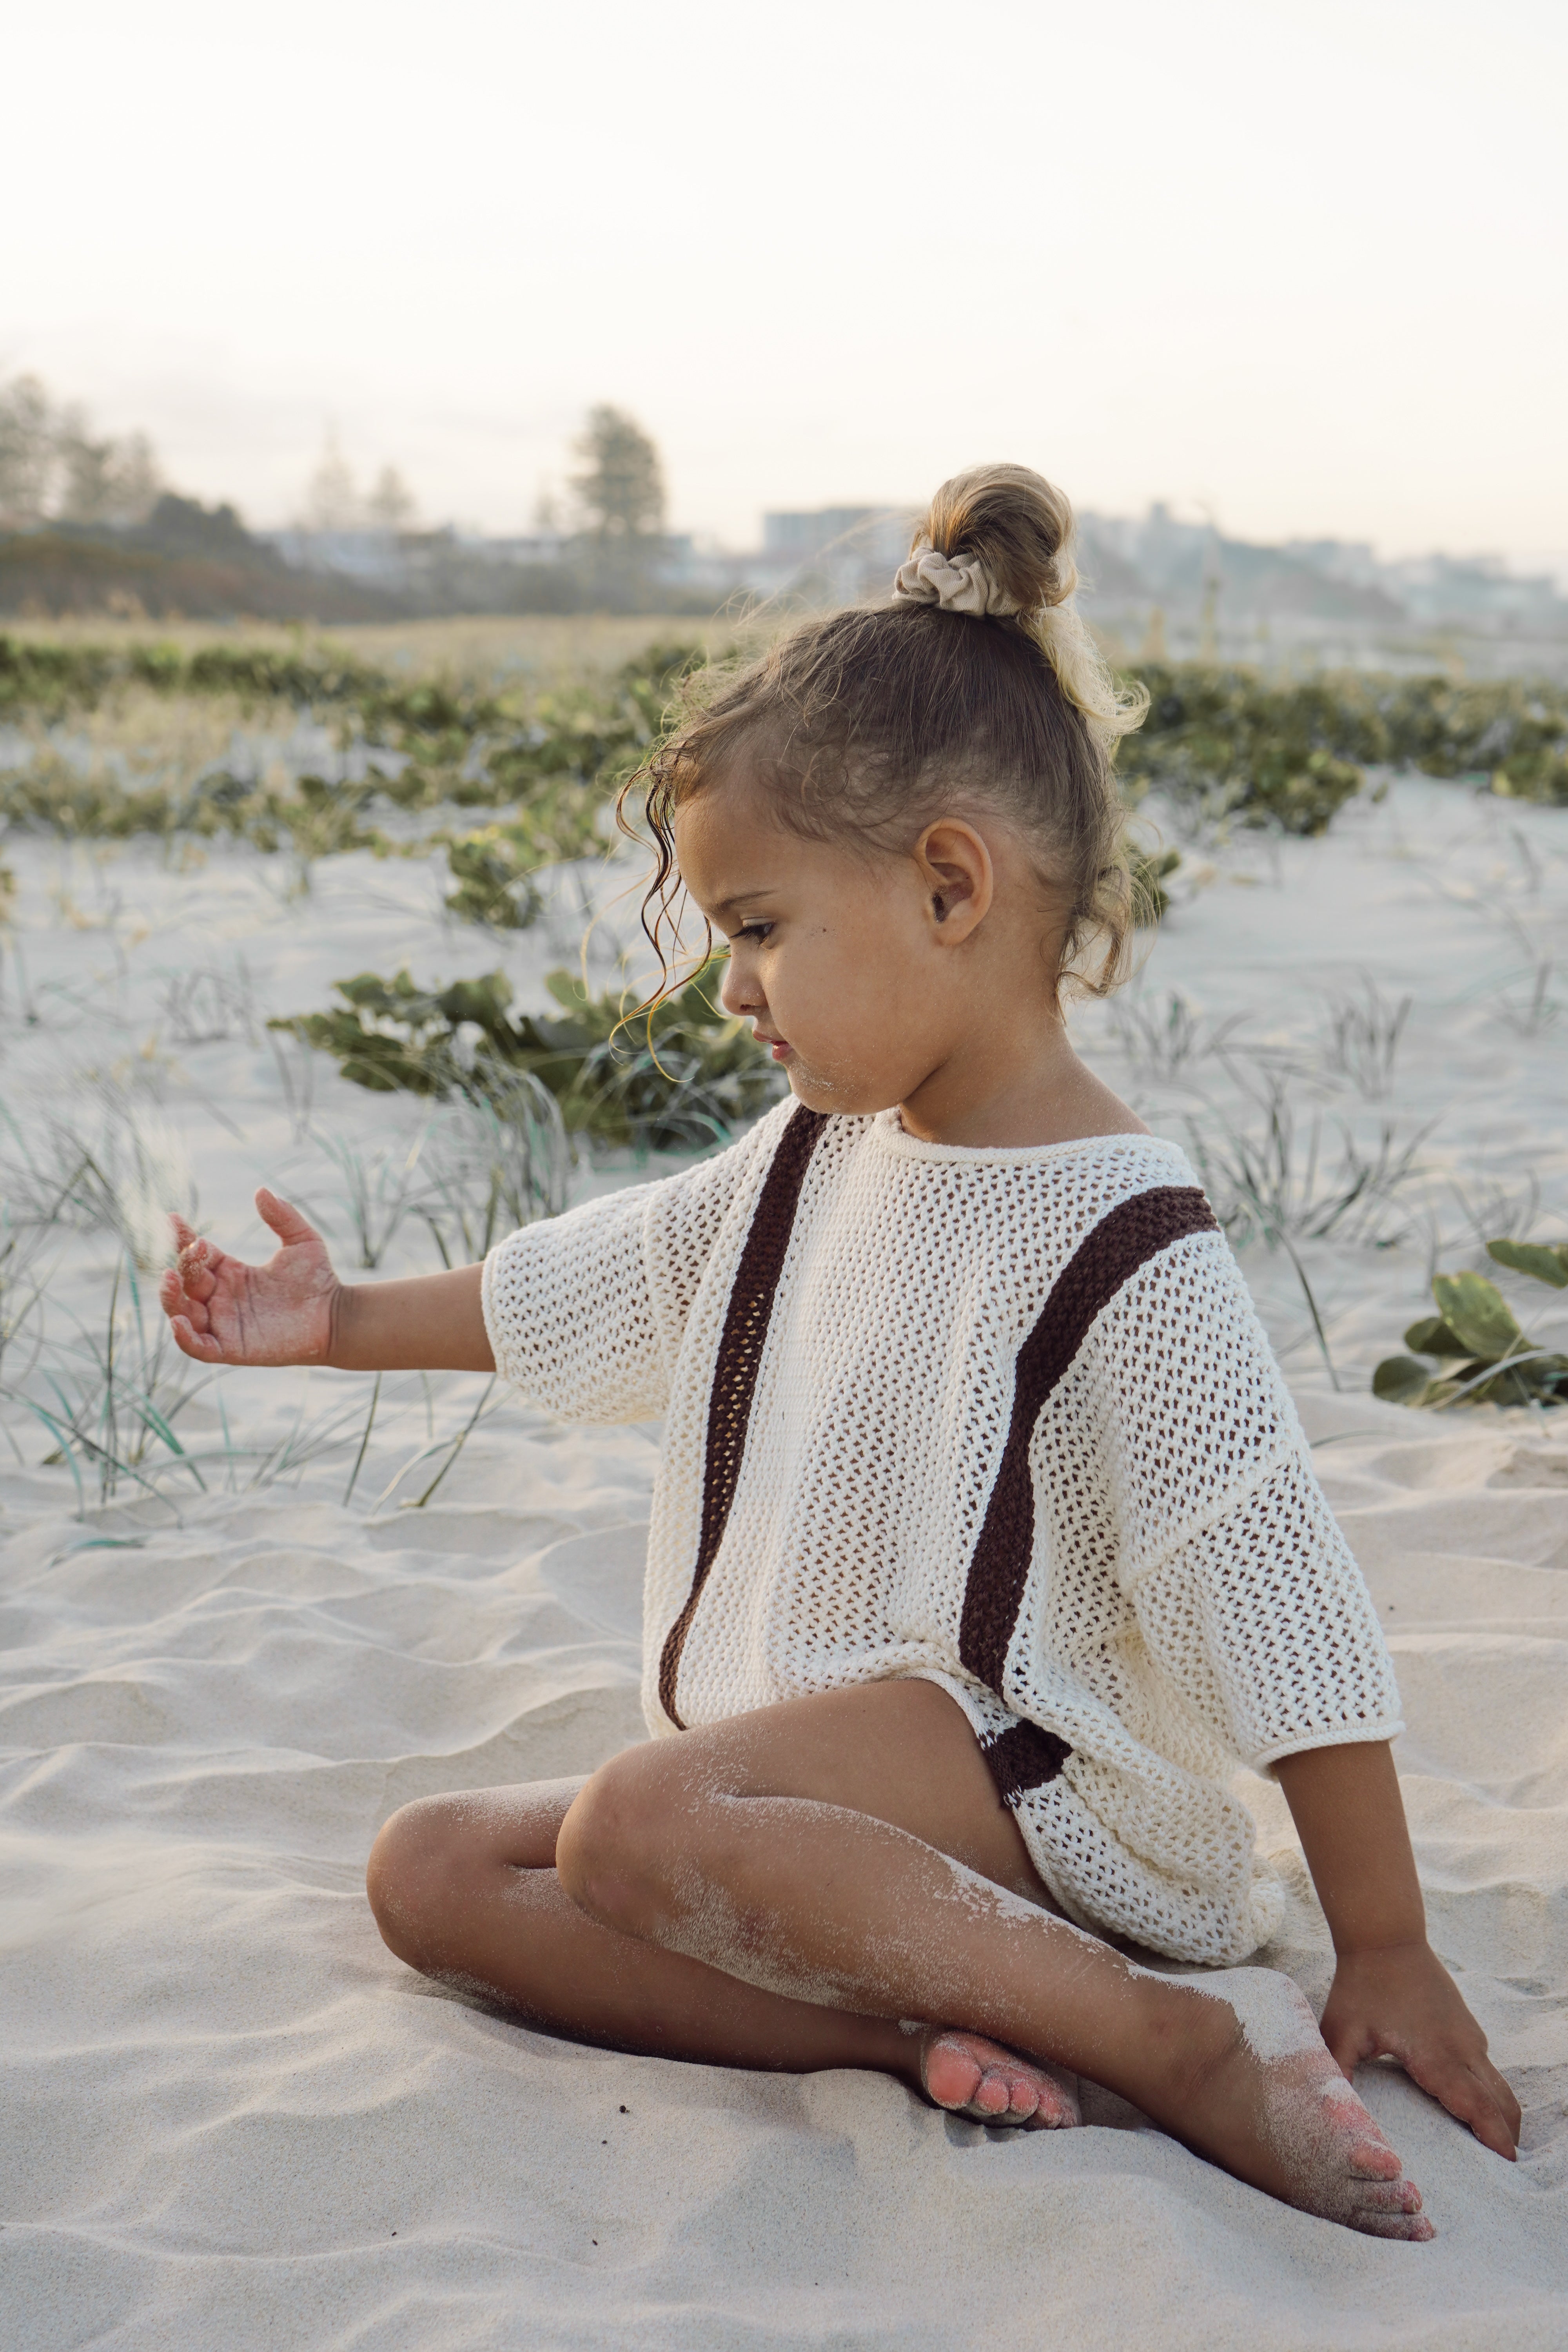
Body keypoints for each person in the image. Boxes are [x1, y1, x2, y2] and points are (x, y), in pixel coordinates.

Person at [160, 464, 1519, 2240]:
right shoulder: (816, 1158)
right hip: (813, 1814)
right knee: (430, 1874)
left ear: (950, 883)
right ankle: (906, 2037)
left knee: (636, 1827)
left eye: (759, 930)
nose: (735, 993)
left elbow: (1279, 1602)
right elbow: (597, 1284)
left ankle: (1161, 2040)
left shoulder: (1125, 1239)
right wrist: (335, 1326)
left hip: (1059, 1811)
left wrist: (1389, 1943)